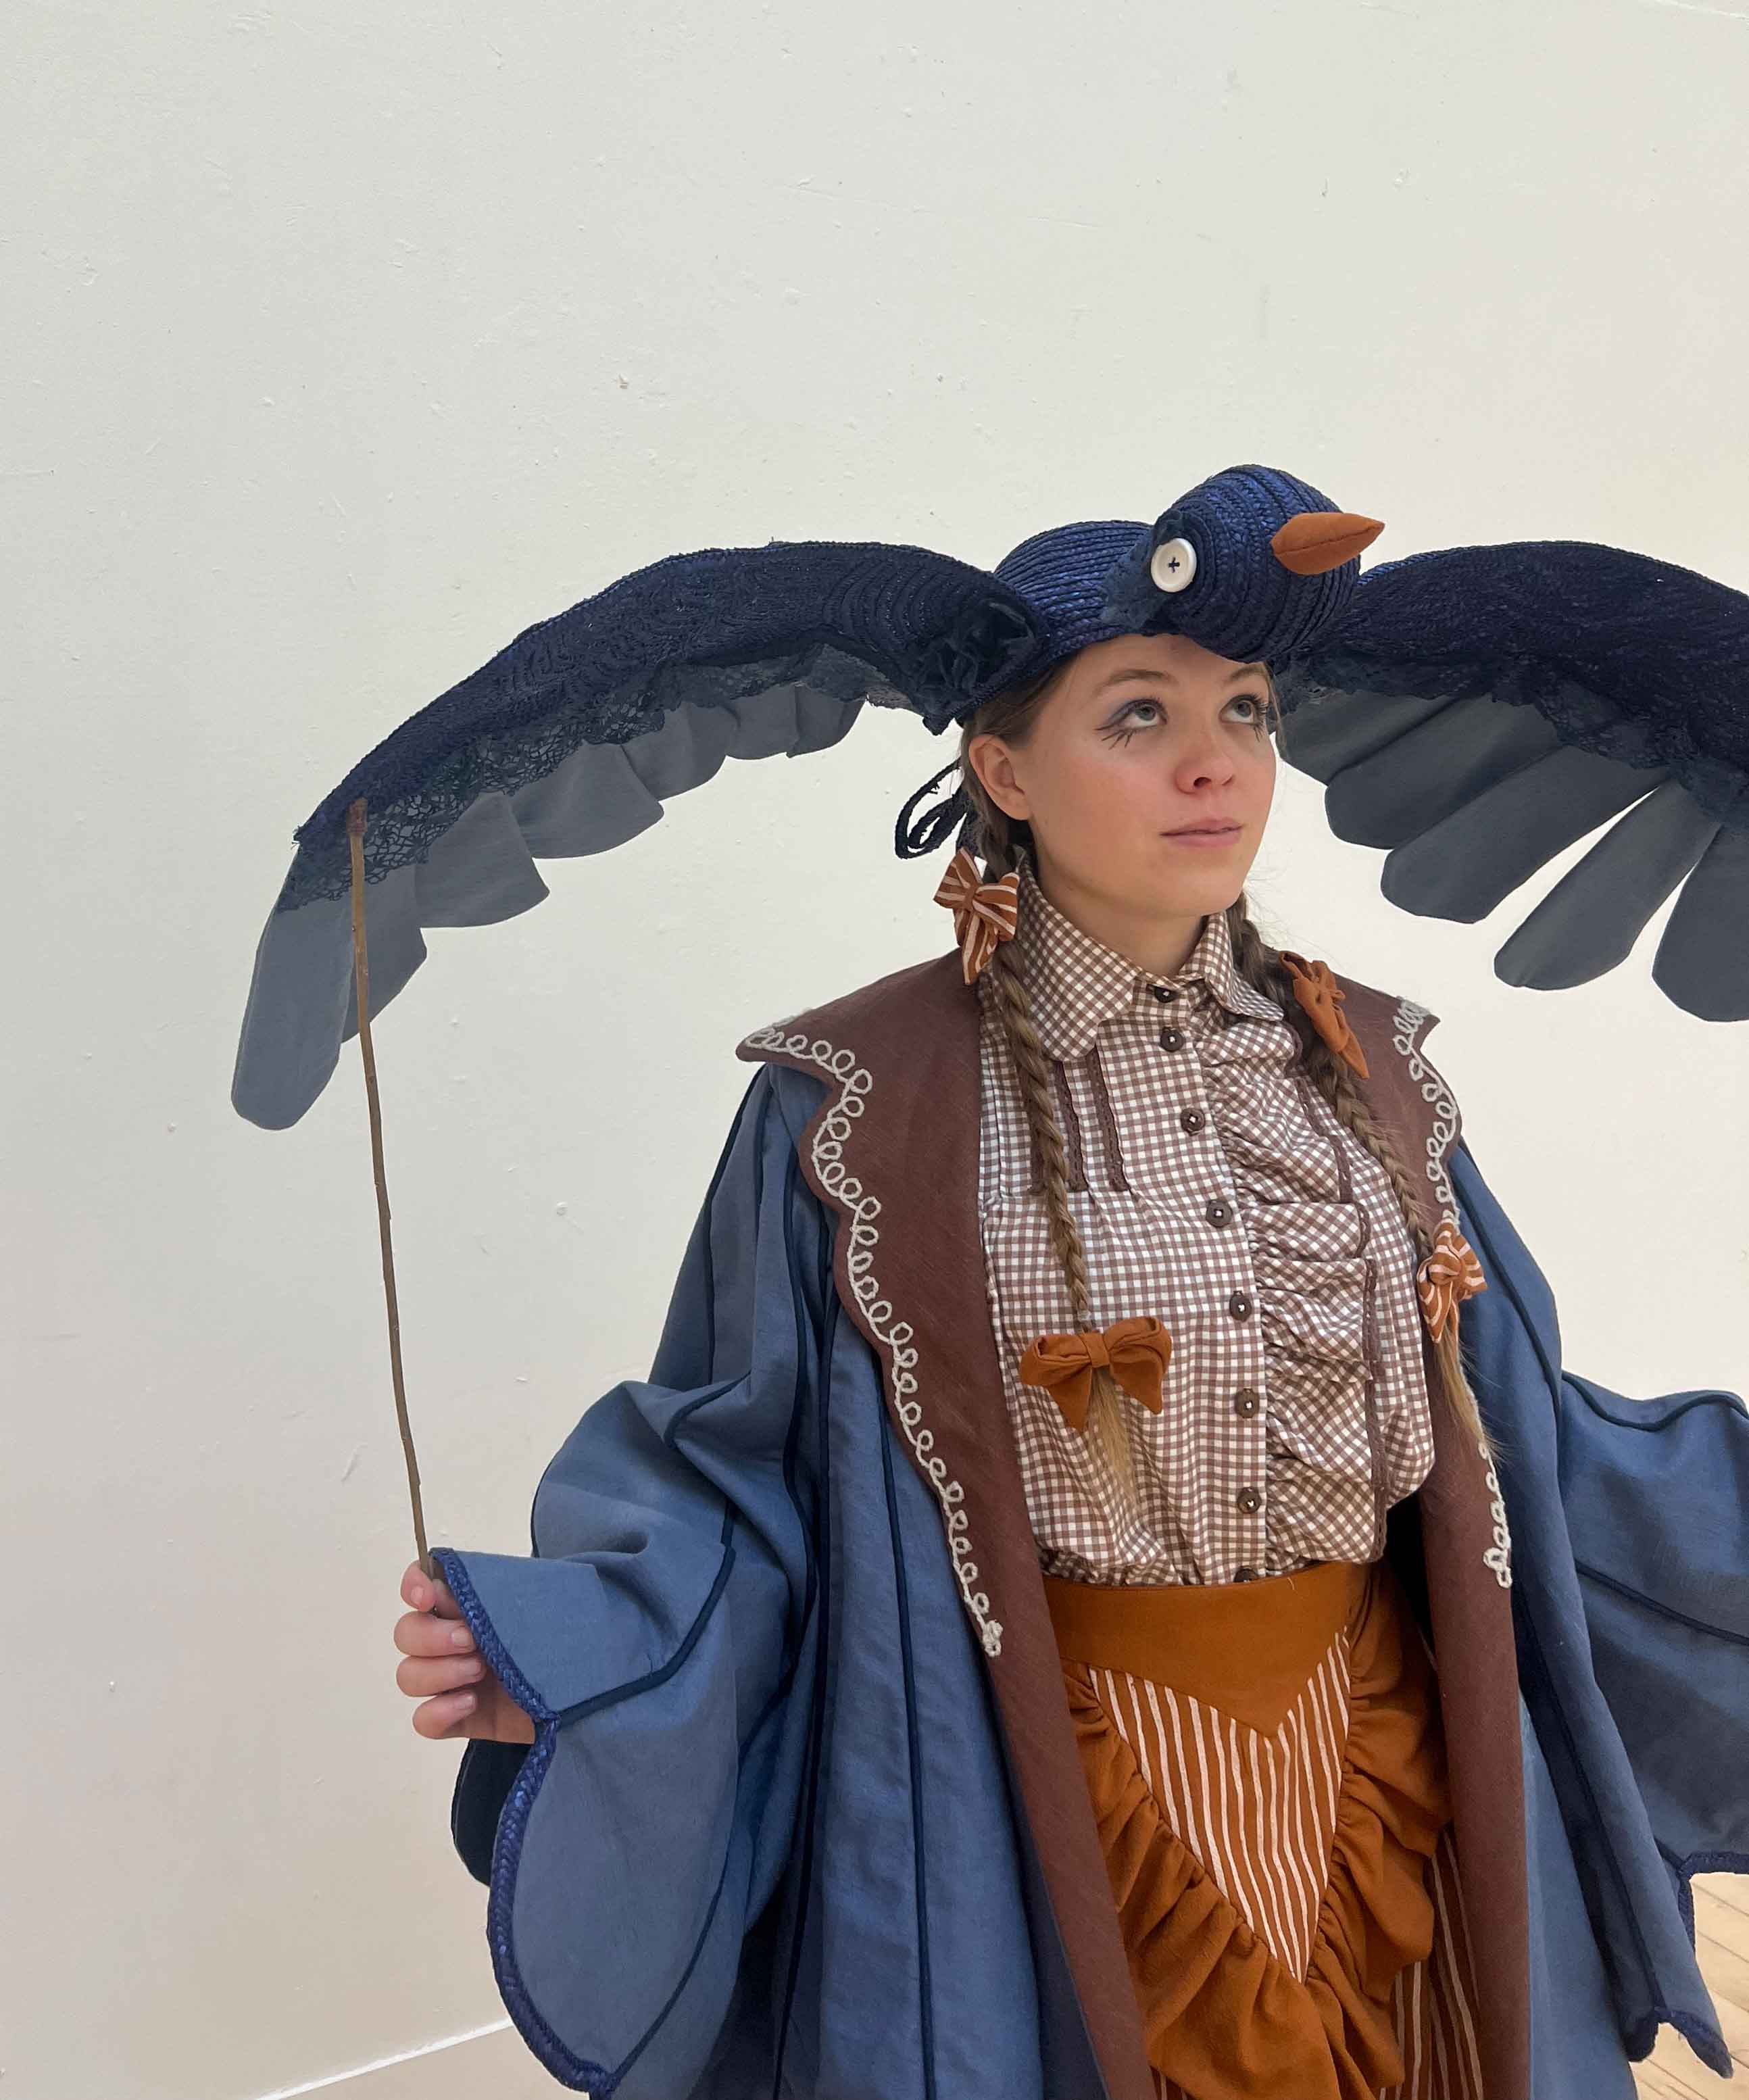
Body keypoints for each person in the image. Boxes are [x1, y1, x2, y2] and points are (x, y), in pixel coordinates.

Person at [386, 625, 1747, 2100]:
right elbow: (740, 1472)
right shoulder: (854, 1111)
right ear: (1002, 772)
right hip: (1053, 1784)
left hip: (1390, 1750)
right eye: (1139, 715)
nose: (1214, 759)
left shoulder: (1379, 1068)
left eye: (1245, 711)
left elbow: (1519, 1440)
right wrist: (577, 1659)